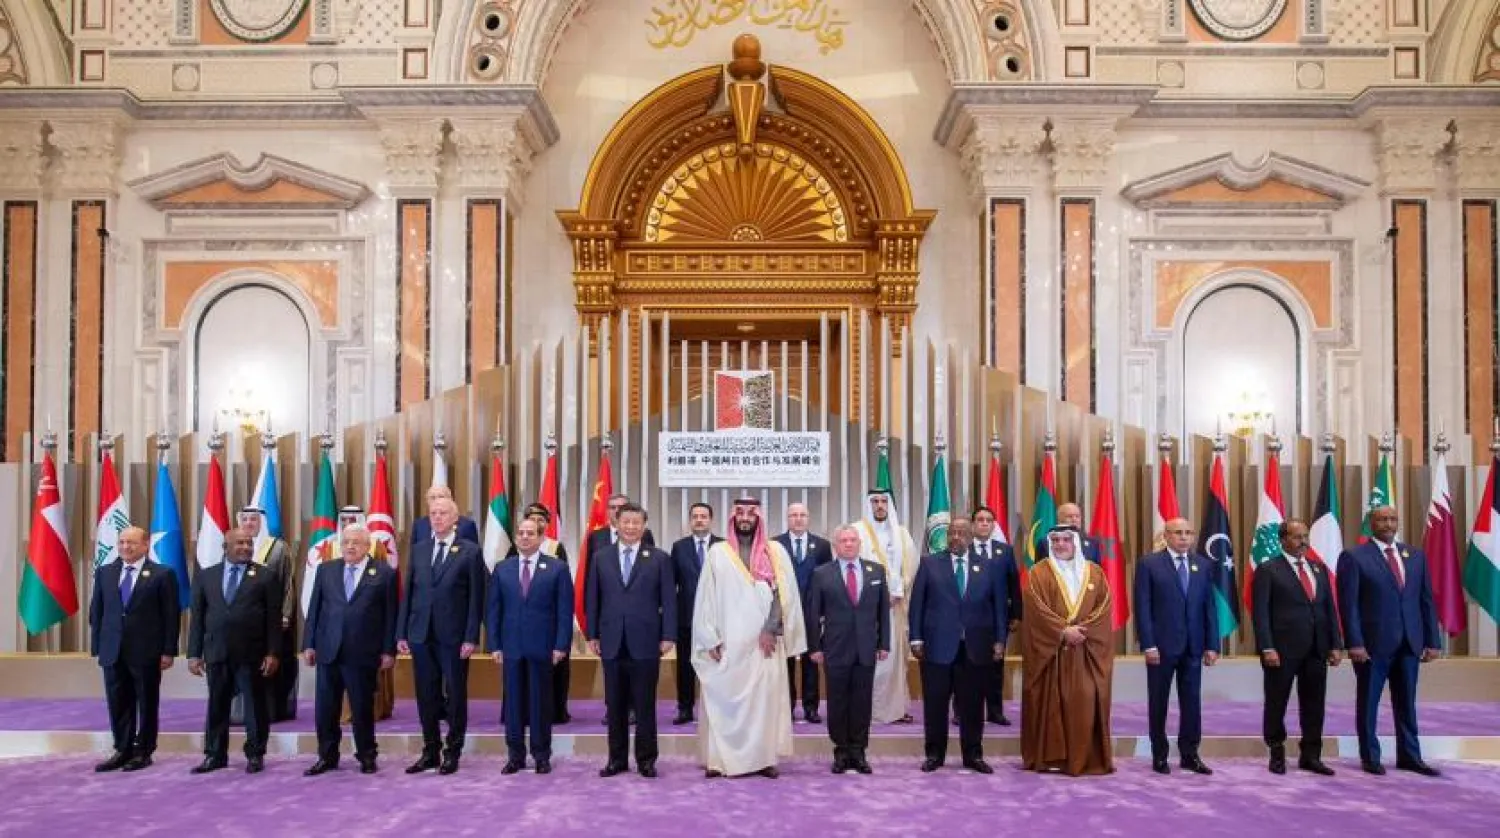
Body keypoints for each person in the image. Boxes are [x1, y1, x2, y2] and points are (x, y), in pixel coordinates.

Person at [692, 496, 807, 778]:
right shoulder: (718, 552)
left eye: (750, 513)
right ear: (733, 518)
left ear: (759, 518)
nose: (745, 518)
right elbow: (704, 599)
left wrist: (771, 628)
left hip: (763, 644)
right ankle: (719, 761)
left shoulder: (775, 551)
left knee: (763, 703)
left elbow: (784, 593)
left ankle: (763, 759)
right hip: (728, 644)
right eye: (740, 513)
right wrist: (709, 640)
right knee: (723, 702)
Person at [1337, 505, 1442, 777]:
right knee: (1369, 702)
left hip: (1410, 643)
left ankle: (1410, 756)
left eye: (1393, 518)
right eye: (1382, 519)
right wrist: (1355, 643)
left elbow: (1426, 600)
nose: (1388, 523)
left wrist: (1432, 640)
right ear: (1371, 524)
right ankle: (1370, 757)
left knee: (1407, 703)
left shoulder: (1415, 556)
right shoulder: (1354, 557)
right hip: (1372, 646)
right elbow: (1349, 606)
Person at [909, 517, 1007, 774]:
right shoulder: (930, 564)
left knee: (973, 705)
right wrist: (915, 638)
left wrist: (1000, 640)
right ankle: (934, 754)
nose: (956, 537)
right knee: (935, 704)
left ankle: (973, 755)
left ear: (971, 535)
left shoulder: (989, 566)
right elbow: (916, 604)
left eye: (962, 533)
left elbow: (998, 608)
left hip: (976, 648)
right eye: (952, 532)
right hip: (937, 647)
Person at [586, 502, 677, 779]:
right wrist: (592, 634)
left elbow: (669, 601)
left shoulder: (659, 558)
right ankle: (616, 759)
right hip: (611, 640)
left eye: (636, 522)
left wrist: (668, 635)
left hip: (647, 641)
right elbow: (593, 599)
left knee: (645, 705)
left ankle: (646, 760)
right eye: (625, 522)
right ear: (616, 523)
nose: (630, 527)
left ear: (644, 525)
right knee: (615, 705)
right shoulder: (601, 557)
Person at [397, 497, 486, 775]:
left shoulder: (470, 552)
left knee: (456, 694)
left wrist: (471, 637)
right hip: (420, 634)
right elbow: (408, 594)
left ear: (454, 519)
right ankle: (430, 750)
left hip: (455, 637)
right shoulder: (420, 549)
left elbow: (476, 598)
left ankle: (453, 751)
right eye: (433, 513)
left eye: (443, 513)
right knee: (426, 695)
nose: (437, 518)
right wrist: (402, 633)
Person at [302, 525, 399, 776]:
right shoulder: (326, 570)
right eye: (346, 542)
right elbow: (314, 611)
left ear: (368, 546)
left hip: (363, 653)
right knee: (325, 709)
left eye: (356, 542)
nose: (350, 546)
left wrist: (389, 650)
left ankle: (366, 755)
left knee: (362, 708)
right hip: (328, 650)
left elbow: (391, 616)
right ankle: (327, 755)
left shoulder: (384, 573)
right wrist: (309, 644)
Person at [1020, 526, 1115, 776]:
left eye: (1066, 540)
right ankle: (1052, 759)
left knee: (1086, 700)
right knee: (1051, 704)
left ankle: (1086, 758)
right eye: (1056, 540)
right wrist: (1063, 631)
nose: (1061, 544)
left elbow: (1104, 608)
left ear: (1076, 544)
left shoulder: (1095, 573)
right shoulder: (1037, 573)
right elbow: (1035, 610)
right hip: (1052, 654)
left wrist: (1080, 632)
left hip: (1085, 652)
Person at [1252, 519, 1342, 776]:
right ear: (1283, 540)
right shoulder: (1269, 570)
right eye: (1296, 537)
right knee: (1277, 702)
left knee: (1314, 704)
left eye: (1305, 536)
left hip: (1316, 649)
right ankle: (1277, 751)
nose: (1303, 541)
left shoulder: (1318, 568)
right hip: (1281, 651)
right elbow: (1260, 614)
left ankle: (1311, 755)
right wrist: (1267, 647)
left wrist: (1335, 644)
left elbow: (1328, 609)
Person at [187, 527, 280, 774]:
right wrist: (194, 653)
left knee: (254, 706)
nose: (246, 547)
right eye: (239, 543)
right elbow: (197, 618)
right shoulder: (206, 577)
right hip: (216, 651)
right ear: (225, 546)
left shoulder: (266, 576)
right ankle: (215, 754)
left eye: (249, 543)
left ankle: (255, 754)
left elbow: (273, 620)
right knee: (217, 705)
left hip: (253, 653)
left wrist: (273, 653)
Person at [89, 526, 180, 773]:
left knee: (146, 702)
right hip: (113, 650)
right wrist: (97, 645)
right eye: (121, 542)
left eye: (131, 543)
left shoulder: (162, 574)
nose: (125, 547)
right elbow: (96, 612)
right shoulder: (105, 572)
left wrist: (168, 650)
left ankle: (144, 750)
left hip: (147, 651)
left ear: (145, 545)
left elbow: (171, 616)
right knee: (117, 701)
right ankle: (122, 748)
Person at [487, 518, 574, 775]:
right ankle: (515, 756)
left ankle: (541, 755)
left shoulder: (557, 569)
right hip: (511, 648)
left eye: (530, 534)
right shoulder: (503, 569)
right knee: (513, 704)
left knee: (540, 704)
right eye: (521, 533)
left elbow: (564, 611)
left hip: (543, 647)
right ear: (515, 537)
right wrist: (494, 644)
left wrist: (561, 645)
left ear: (540, 538)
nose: (525, 537)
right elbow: (493, 611)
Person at [1133, 517, 1219, 775]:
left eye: (1188, 533)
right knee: (1158, 702)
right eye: (1178, 533)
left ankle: (1190, 754)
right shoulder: (1149, 564)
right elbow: (1143, 607)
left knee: (1192, 703)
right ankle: (1159, 755)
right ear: (1166, 536)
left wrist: (1212, 644)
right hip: (1161, 647)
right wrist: (1148, 644)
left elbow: (1209, 608)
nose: (1184, 537)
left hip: (1193, 647)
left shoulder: (1202, 566)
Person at [805, 525, 888, 774]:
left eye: (853, 540)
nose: (849, 544)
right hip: (835, 649)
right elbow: (812, 614)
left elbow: (883, 612)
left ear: (859, 543)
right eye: (843, 541)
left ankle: (859, 751)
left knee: (862, 703)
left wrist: (884, 643)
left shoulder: (876, 571)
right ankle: (841, 751)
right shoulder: (822, 574)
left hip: (866, 649)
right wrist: (814, 647)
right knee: (838, 702)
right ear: (835, 545)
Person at [855, 489, 917, 724]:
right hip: (867, 609)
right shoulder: (857, 531)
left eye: (883, 501)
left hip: (895, 606)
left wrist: (898, 591)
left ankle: (894, 709)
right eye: (875, 501)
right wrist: (877, 596)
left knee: (893, 659)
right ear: (868, 505)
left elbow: (910, 567)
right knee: (868, 658)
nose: (879, 505)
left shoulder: (901, 534)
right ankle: (866, 709)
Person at [238, 506, 298, 722]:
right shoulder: (233, 547)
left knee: (269, 666)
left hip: (271, 620)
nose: (248, 523)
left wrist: (285, 615)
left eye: (253, 519)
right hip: (243, 622)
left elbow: (288, 585)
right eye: (244, 519)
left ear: (262, 521)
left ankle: (272, 711)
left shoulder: (278, 548)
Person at [775, 502, 832, 723]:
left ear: (808, 518)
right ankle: (786, 707)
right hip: (784, 612)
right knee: (785, 662)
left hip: (812, 613)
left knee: (811, 660)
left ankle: (811, 707)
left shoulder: (822, 546)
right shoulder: (775, 544)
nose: (798, 519)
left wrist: (825, 611)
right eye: (793, 515)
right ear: (787, 518)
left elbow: (828, 579)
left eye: (802, 515)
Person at [520, 503, 575, 724]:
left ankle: (555, 711)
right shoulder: (518, 547)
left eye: (541, 519)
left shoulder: (555, 547)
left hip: (549, 617)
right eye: (531, 518)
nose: (536, 522)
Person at [670, 502, 722, 725]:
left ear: (711, 520)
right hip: (686, 617)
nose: (699, 520)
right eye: (695, 516)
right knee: (685, 665)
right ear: (689, 521)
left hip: (717, 619)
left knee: (718, 664)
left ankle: (718, 710)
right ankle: (685, 708)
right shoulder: (679, 547)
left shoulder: (724, 547)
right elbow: (672, 584)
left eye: (704, 516)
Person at [969, 505, 1019, 726]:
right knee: (966, 666)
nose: (984, 523)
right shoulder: (964, 549)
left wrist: (1016, 614)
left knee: (995, 666)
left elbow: (1014, 584)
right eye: (980, 519)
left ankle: (995, 711)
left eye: (988, 520)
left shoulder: (1004, 551)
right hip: (969, 619)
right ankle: (963, 711)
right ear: (973, 525)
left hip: (997, 618)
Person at [587, 493, 658, 558]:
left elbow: (651, 559)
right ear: (607, 511)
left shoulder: (645, 534)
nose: (617, 510)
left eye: (621, 507)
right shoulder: (596, 536)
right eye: (613, 507)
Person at [410, 484, 480, 546]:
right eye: (432, 497)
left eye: (441, 496)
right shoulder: (419, 525)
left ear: (450, 499)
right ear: (427, 501)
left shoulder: (467, 525)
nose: (436, 500)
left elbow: (473, 554)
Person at [1034, 503, 1103, 564]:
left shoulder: (1092, 542)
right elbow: (1040, 571)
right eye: (1070, 516)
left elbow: (1097, 570)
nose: (1074, 519)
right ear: (1060, 519)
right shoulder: (1046, 542)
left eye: (1077, 516)